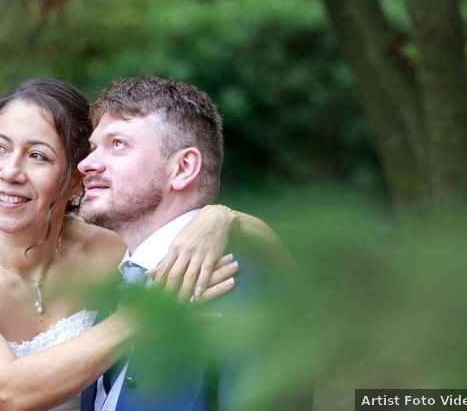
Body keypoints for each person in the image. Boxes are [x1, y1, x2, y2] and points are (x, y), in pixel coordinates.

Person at [0, 78, 280, 410]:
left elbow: (274, 259)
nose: (10, 172)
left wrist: (217, 217)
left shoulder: (110, 247)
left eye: (38, 156)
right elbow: (9, 393)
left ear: (76, 182)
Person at [78, 74, 307, 411]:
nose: (86, 164)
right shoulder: (116, 283)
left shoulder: (251, 291)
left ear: (183, 168)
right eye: (94, 148)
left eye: (117, 145)